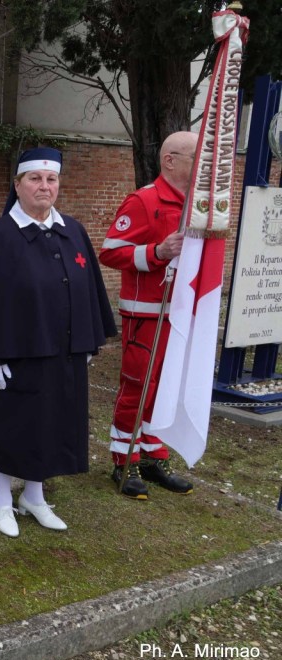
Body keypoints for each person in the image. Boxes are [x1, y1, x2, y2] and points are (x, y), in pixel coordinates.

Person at [0, 147, 117, 538]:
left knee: (53, 424)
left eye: (51, 179)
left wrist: (88, 341)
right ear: (18, 185)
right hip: (16, 355)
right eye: (35, 179)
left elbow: (89, 288)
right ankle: (3, 499)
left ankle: (35, 497)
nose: (44, 186)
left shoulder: (72, 231)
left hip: (64, 352)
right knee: (15, 426)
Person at [99, 131, 198, 500]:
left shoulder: (195, 204)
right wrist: (156, 252)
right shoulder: (144, 200)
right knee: (137, 389)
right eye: (194, 158)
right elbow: (109, 252)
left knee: (165, 391)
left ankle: (153, 456)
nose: (201, 166)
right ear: (170, 160)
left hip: (181, 316)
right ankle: (123, 461)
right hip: (146, 316)